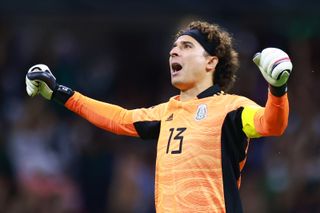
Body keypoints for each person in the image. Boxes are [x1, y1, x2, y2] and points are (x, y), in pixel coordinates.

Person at [25, 20, 292, 213]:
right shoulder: (166, 112)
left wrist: (277, 90)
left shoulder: (232, 108)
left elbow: (272, 124)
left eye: (186, 46)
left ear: (211, 61)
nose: (174, 52)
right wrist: (59, 92)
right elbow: (119, 119)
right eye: (173, 48)